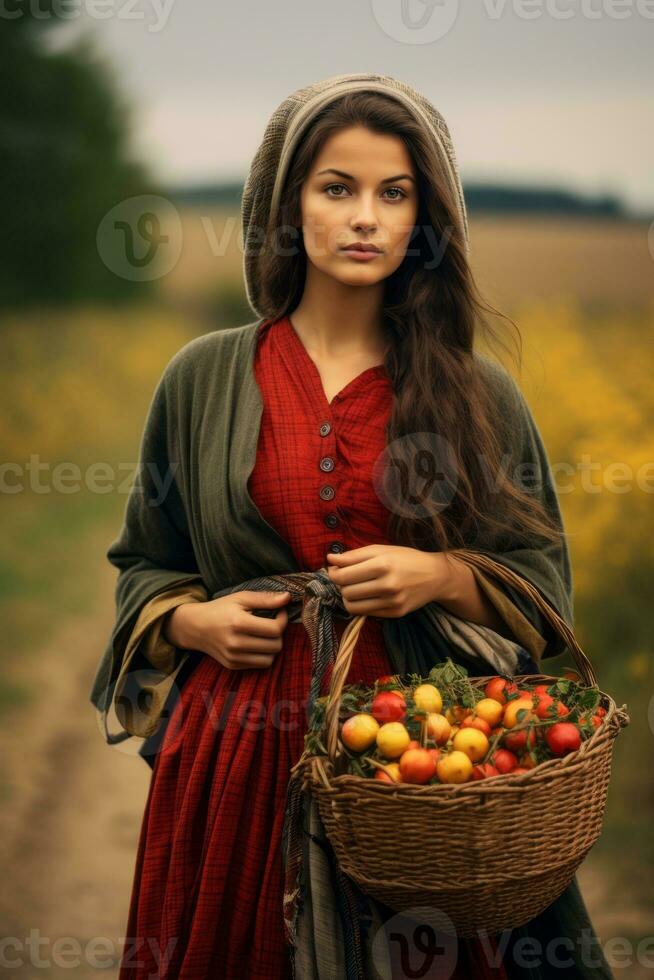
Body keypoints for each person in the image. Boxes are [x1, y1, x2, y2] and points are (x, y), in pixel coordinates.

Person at [91, 73, 614, 978]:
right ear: (287, 206)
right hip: (237, 756)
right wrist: (192, 620)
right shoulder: (201, 378)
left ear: (426, 219)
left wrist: (444, 576)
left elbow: (543, 582)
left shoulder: (476, 393)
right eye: (337, 188)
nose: (366, 216)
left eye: (395, 192)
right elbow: (147, 559)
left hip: (424, 762)